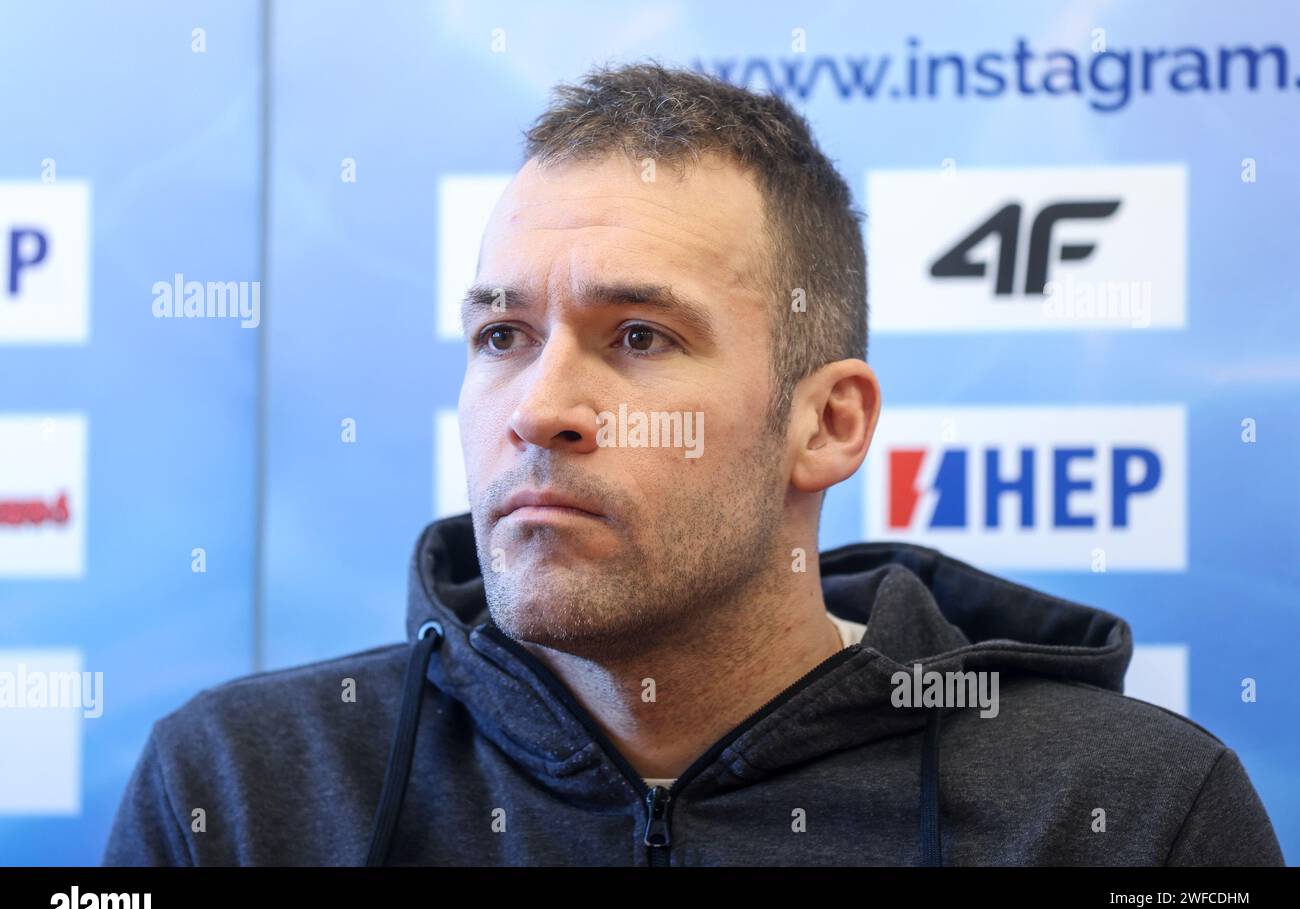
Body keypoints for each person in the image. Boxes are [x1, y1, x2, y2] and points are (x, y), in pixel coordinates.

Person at [103, 60, 1284, 866]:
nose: (542, 408)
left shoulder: (1123, 813)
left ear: (825, 425)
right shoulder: (240, 790)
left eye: (638, 337)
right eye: (502, 336)